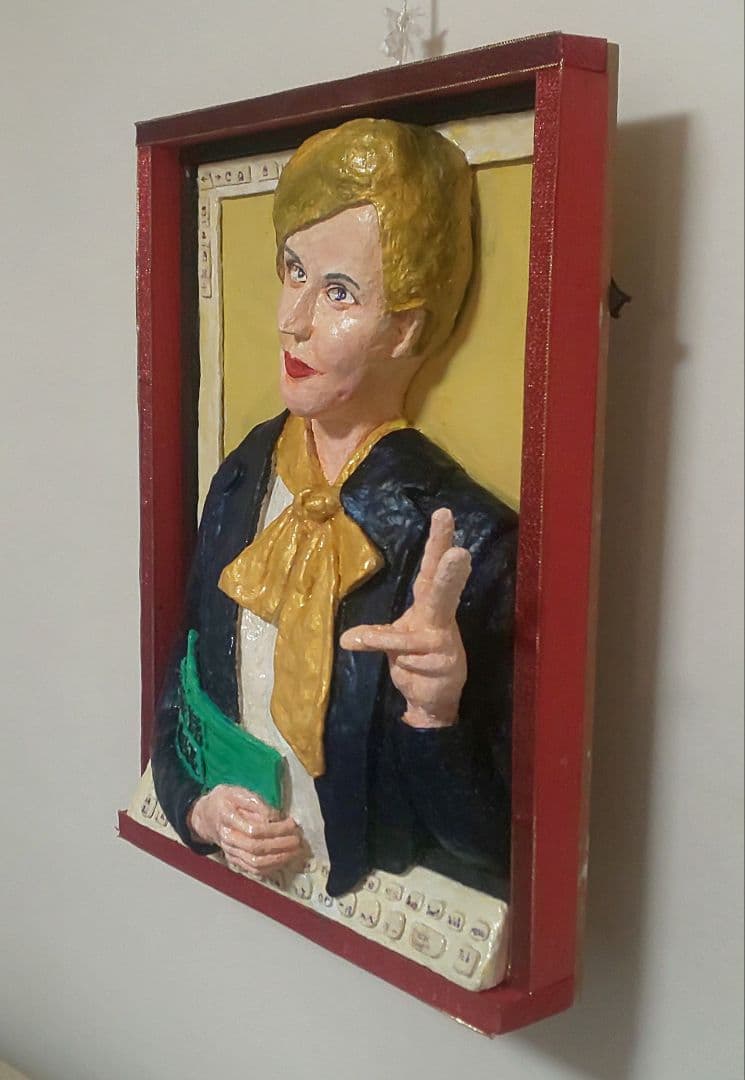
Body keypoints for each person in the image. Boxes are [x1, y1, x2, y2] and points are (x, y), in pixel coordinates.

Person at [151, 118, 518, 900]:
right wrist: (201, 807)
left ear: (405, 329)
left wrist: (434, 714)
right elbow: (185, 674)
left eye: (339, 292)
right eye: (294, 270)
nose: (292, 319)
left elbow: (490, 845)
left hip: (361, 915)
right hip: (240, 895)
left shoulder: (469, 536)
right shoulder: (244, 474)